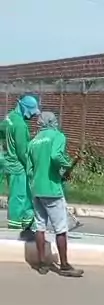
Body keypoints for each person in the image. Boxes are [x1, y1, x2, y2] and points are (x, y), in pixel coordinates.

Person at [27, 111, 83, 277]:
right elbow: (55, 156)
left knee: (39, 226)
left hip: (36, 189)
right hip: (52, 189)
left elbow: (29, 170)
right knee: (60, 228)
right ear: (52, 121)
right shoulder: (58, 136)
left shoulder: (33, 142)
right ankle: (64, 266)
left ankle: (41, 264)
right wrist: (67, 167)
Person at [3, 94, 40, 233]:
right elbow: (22, 152)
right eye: (32, 112)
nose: (33, 116)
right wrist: (33, 166)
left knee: (25, 195)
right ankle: (15, 226)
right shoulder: (20, 125)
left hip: (9, 162)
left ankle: (27, 221)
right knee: (19, 196)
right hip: (18, 166)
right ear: (24, 107)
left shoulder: (9, 118)